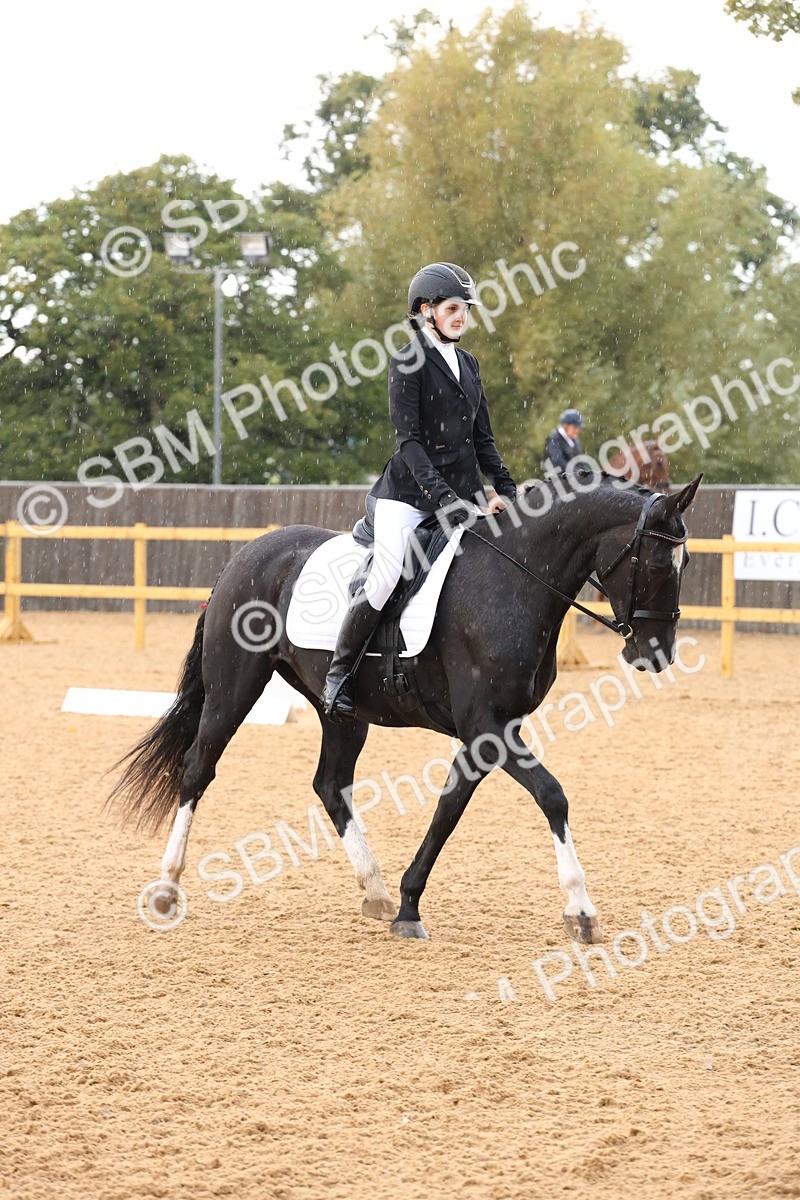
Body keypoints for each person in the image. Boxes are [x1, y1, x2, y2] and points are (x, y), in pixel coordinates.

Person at [321, 261, 518, 719]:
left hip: (461, 495)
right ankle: (339, 674)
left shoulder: (468, 364)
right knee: (388, 573)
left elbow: (482, 439)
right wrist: (443, 497)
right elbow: (408, 440)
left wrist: (506, 486)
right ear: (426, 310)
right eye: (453, 309)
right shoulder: (408, 359)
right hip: (408, 496)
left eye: (465, 310)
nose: (461, 317)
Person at [543, 409, 584, 476]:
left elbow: (580, 462)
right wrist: (577, 472)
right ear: (565, 426)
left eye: (578, 428)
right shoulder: (554, 439)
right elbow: (558, 462)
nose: (577, 430)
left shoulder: (574, 441)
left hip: (572, 478)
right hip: (556, 480)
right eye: (575, 427)